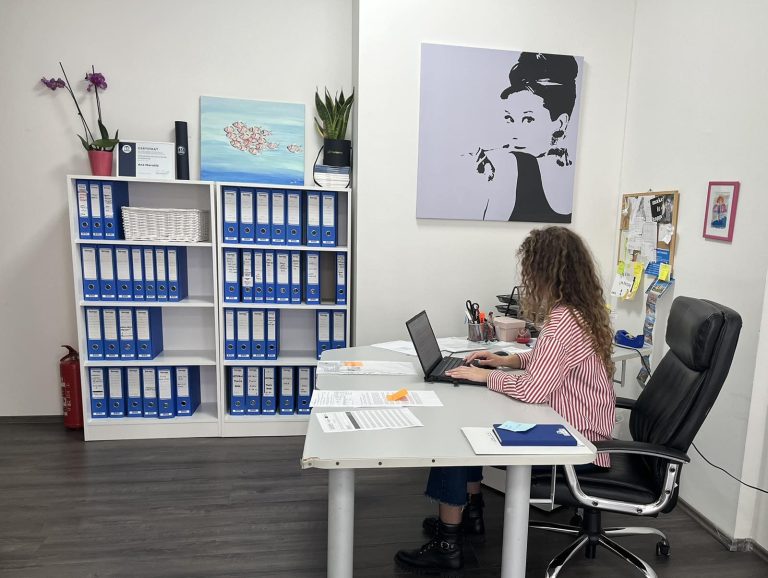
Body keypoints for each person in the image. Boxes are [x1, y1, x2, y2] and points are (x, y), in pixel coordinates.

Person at [394, 227, 616, 573]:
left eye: (531, 269)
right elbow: (550, 360)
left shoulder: (563, 322)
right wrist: (506, 360)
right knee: (468, 423)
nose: (528, 278)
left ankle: (448, 544)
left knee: (455, 438)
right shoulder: (577, 313)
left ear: (545, 271)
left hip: (575, 444)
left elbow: (534, 390)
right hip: (577, 429)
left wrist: (486, 376)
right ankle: (469, 516)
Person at [475, 52, 579, 223]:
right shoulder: (507, 164)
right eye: (509, 118)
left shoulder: (511, 165)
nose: (514, 134)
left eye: (528, 119)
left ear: (560, 124)